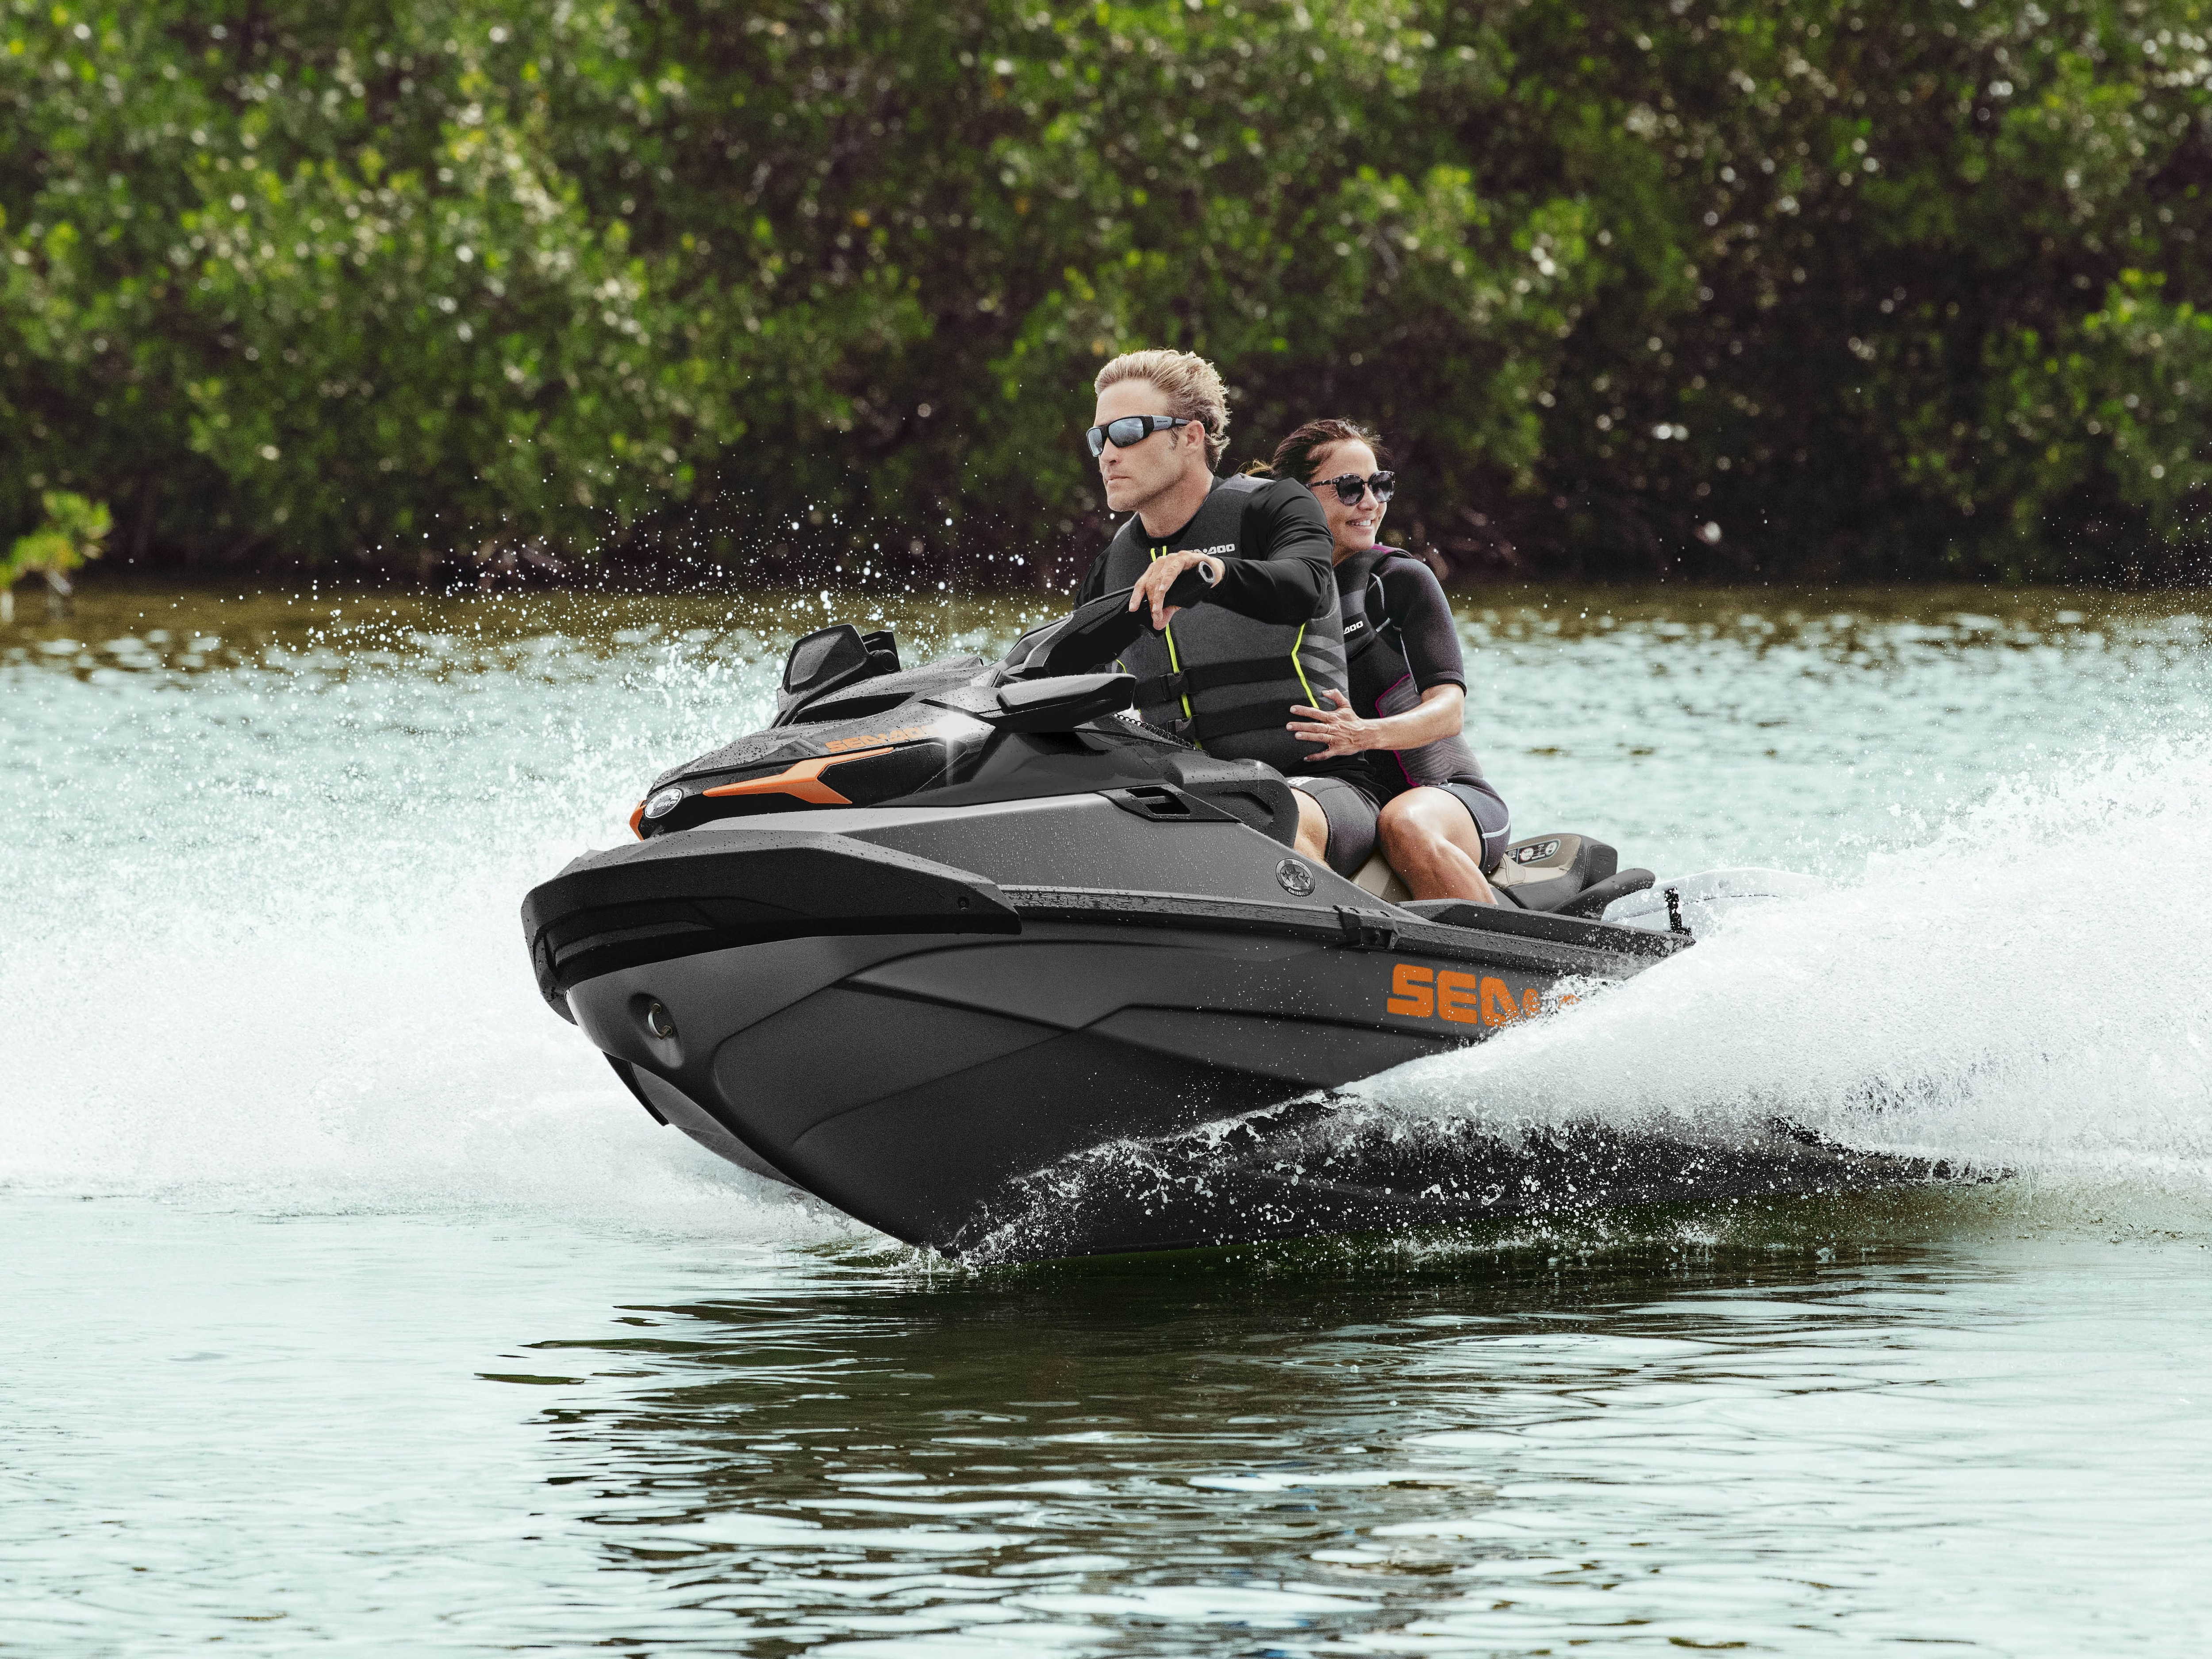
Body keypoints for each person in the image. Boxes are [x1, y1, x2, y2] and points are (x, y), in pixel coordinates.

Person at [1071, 350, 1380, 875]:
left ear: (1190, 437)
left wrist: (1211, 572)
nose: (1107, 455)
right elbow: (1066, 672)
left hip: (1320, 785)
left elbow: (1305, 583)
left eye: (1125, 432)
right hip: (1193, 794)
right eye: (1098, 438)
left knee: (1264, 816)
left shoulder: (1272, 507)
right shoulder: (1115, 563)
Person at [1271, 420, 1510, 903]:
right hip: (1347, 805)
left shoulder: (1400, 579)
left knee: (1402, 823)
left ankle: (1505, 963)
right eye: (1349, 488)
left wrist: (1363, 733)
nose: (1370, 502)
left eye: (1379, 485)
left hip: (1444, 798)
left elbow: (1448, 711)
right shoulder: (1269, 593)